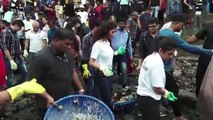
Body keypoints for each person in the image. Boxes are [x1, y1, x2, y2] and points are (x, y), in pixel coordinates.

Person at [159, 13, 213, 120]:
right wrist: (210, 51)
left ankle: (167, 106)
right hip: (163, 67)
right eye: (182, 25)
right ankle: (177, 114)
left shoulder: (163, 31)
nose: (183, 28)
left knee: (165, 87)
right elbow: (189, 48)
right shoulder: (172, 35)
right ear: (176, 23)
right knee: (173, 90)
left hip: (163, 65)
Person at [26, 28, 85, 119]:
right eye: (67, 44)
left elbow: (72, 70)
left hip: (68, 99)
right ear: (56, 41)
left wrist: (80, 88)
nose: (69, 47)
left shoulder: (67, 53)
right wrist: (47, 97)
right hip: (49, 103)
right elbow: (31, 83)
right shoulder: (41, 58)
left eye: (71, 44)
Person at [137, 36, 177, 120]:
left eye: (173, 54)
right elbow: (157, 88)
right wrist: (167, 93)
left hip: (142, 96)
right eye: (169, 54)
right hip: (149, 99)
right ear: (161, 50)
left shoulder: (150, 57)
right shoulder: (157, 64)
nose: (171, 57)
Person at [89, 21, 125, 107]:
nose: (114, 34)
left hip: (109, 73)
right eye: (112, 32)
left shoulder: (107, 42)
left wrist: (116, 53)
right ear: (106, 31)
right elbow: (91, 61)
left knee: (109, 95)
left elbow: (108, 55)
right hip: (101, 75)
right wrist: (102, 68)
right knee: (106, 98)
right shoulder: (98, 45)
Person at [186, 22, 213, 97]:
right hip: (206, 58)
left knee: (201, 79)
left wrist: (181, 43)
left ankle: (200, 98)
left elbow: (192, 40)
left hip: (206, 58)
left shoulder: (209, 26)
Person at [0, 20, 27, 87]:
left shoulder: (15, 32)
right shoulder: (6, 32)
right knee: (10, 76)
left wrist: (23, 51)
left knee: (25, 73)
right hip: (9, 58)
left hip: (18, 56)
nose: (20, 30)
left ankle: (19, 85)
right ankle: (10, 93)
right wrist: (11, 60)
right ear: (16, 25)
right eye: (20, 28)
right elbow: (5, 47)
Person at [111, 17, 133, 89]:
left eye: (124, 24)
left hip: (122, 53)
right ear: (118, 24)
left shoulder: (127, 33)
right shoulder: (113, 31)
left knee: (124, 69)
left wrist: (131, 57)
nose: (122, 25)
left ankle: (124, 84)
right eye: (121, 23)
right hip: (113, 52)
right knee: (111, 68)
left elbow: (129, 45)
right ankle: (111, 83)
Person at [81, 21, 101, 96]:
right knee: (90, 85)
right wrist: (85, 67)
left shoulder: (100, 37)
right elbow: (85, 53)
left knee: (97, 85)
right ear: (96, 27)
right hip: (89, 64)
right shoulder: (87, 38)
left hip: (98, 63)